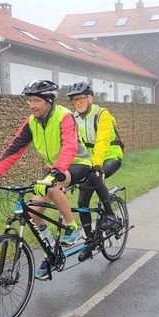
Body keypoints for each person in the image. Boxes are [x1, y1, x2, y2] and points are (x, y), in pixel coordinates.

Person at [0, 79, 92, 280]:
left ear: (48, 101)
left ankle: (73, 229)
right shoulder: (32, 122)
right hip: (54, 169)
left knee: (52, 186)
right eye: (29, 101)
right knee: (34, 214)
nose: (31, 105)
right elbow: (13, 150)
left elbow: (69, 147)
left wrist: (56, 171)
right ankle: (53, 252)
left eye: (36, 100)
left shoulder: (64, 116)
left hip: (77, 163)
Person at [66, 81, 123, 240]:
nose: (78, 103)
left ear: (90, 98)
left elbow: (102, 141)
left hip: (111, 156)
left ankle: (110, 215)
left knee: (94, 176)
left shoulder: (102, 115)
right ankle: (90, 240)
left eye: (81, 99)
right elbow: (71, 144)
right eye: (74, 100)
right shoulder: (74, 118)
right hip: (91, 161)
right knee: (82, 201)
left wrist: (96, 164)